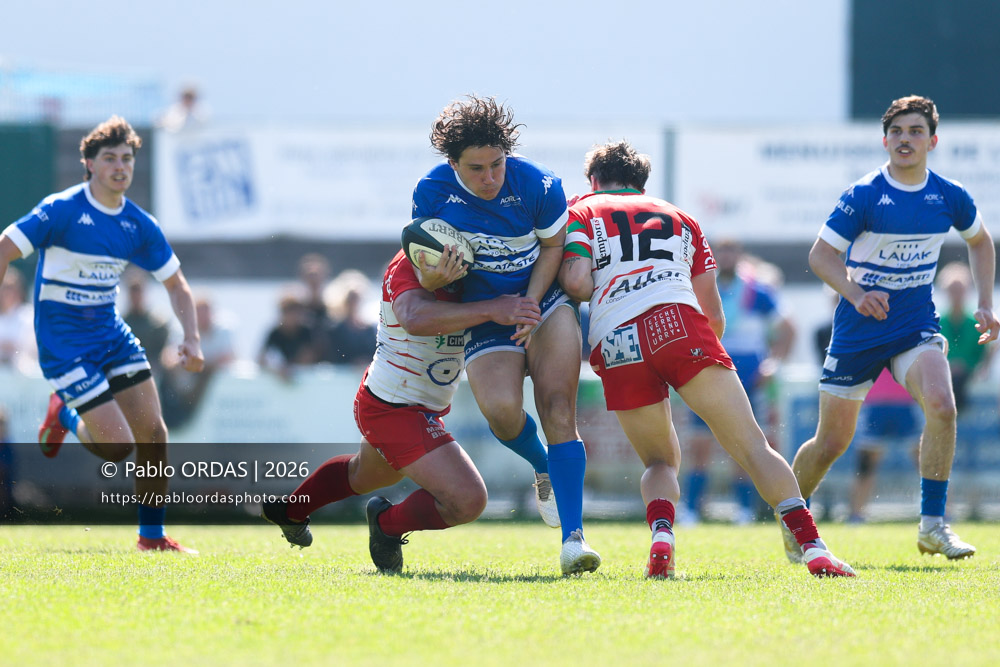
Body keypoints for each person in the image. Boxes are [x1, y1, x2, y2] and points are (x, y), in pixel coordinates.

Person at [559, 139, 854, 578]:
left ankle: (663, 536)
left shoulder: (581, 210)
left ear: (593, 180)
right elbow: (713, 313)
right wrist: (692, 360)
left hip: (616, 337)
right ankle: (812, 547)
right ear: (642, 183)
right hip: (678, 324)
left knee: (661, 461)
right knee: (753, 447)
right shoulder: (683, 218)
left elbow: (577, 281)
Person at [787, 95, 998, 561]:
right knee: (831, 443)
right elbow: (820, 256)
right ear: (885, 140)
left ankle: (933, 526)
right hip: (859, 330)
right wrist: (856, 293)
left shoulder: (948, 195)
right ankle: (792, 516)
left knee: (942, 406)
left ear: (933, 140)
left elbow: (980, 243)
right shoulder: (863, 194)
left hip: (914, 326)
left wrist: (985, 301)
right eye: (898, 132)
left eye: (916, 131)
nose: (906, 139)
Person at [263, 247, 543, 573]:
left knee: (362, 475)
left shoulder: (471, 265)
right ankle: (387, 523)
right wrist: (493, 308)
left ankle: (288, 510)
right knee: (468, 500)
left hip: (408, 403)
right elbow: (414, 318)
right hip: (395, 407)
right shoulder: (411, 262)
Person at [410, 95, 598, 575]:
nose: (490, 177)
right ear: (452, 163)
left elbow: (554, 244)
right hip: (484, 313)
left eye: (497, 164)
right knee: (501, 413)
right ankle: (544, 467)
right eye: (476, 168)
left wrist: (531, 304)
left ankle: (573, 539)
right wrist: (437, 280)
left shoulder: (538, 183)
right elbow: (428, 274)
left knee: (558, 408)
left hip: (544, 301)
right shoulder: (430, 194)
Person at [0, 115, 204, 552]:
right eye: (109, 158)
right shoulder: (61, 210)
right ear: (89, 164)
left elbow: (176, 284)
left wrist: (192, 337)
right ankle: (64, 414)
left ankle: (151, 538)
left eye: (127, 158)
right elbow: (4, 247)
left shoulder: (138, 223)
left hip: (111, 335)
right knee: (117, 448)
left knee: (154, 434)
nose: (120, 166)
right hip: (64, 345)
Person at [682, 240, 795, 524]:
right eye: (722, 251)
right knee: (700, 444)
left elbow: (788, 328)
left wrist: (774, 363)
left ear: (740, 255)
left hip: (748, 375)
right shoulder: (704, 287)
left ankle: (744, 509)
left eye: (732, 251)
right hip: (708, 369)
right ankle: (692, 509)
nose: (727, 256)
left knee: (744, 442)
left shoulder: (756, 291)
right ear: (715, 256)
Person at [159, 294, 236, 429]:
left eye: (206, 312)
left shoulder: (224, 329)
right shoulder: (181, 329)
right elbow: (168, 357)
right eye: (199, 312)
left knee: (206, 375)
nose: (203, 317)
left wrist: (199, 363)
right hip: (187, 377)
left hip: (211, 379)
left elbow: (228, 358)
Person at [322, 269, 377, 365]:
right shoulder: (334, 329)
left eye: (356, 299)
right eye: (350, 299)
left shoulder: (369, 329)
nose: (353, 303)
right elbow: (333, 356)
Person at [121, 270, 171, 377]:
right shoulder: (121, 324)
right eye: (133, 291)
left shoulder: (158, 323)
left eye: (138, 291)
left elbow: (164, 352)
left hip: (154, 370)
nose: (136, 296)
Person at [0, 266, 36, 372]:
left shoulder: (28, 315)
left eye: (11, 289)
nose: (8, 294)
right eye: (4, 290)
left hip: (23, 373)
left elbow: (32, 347)